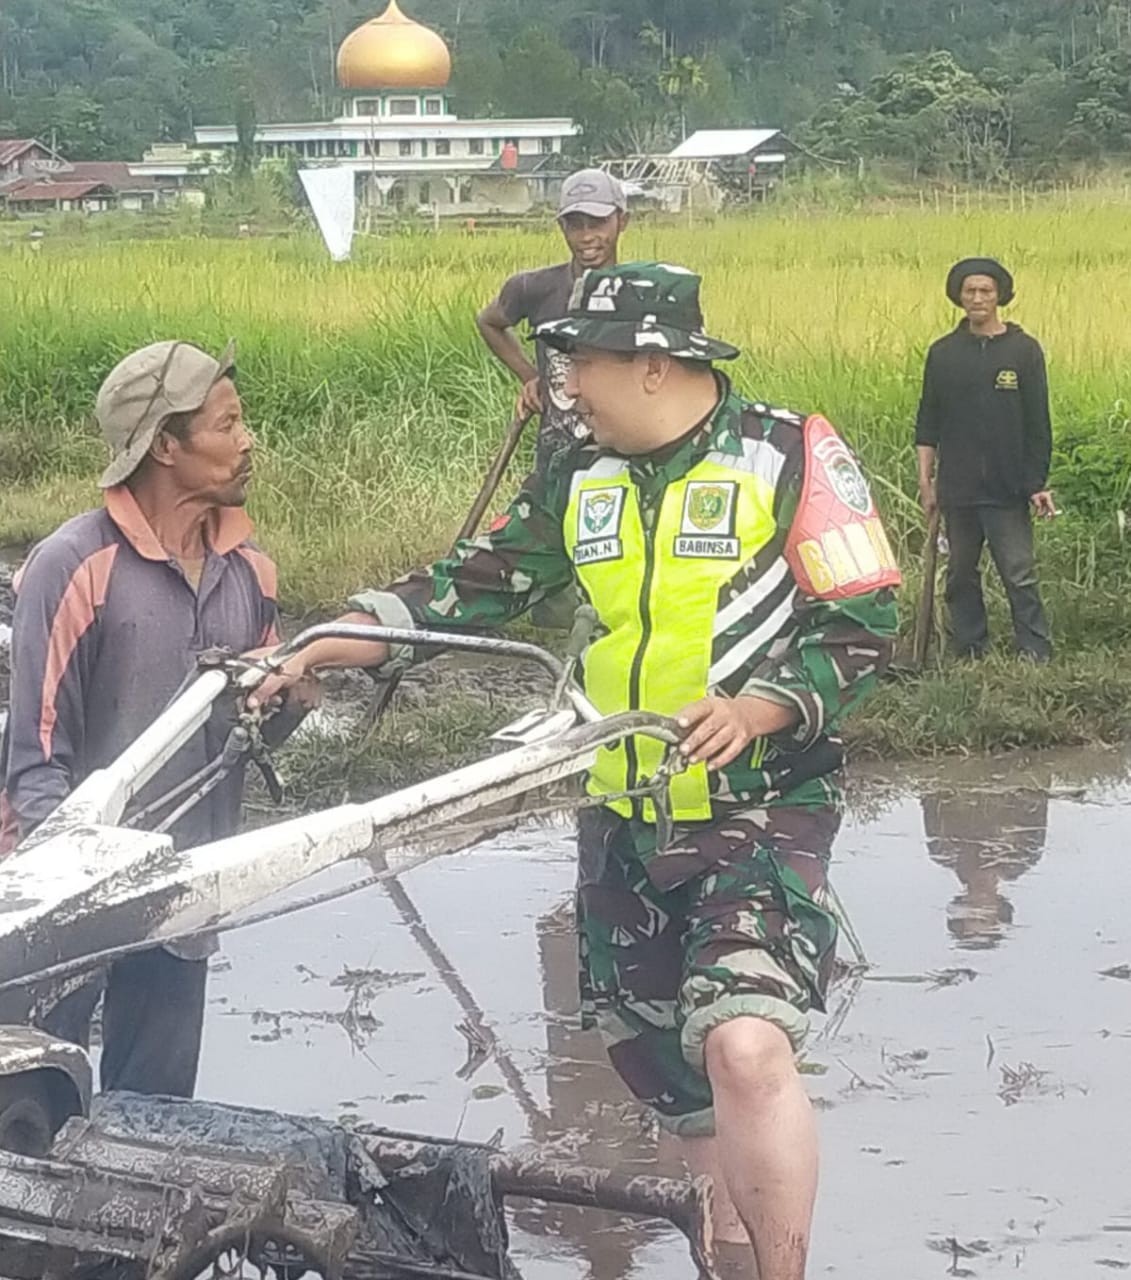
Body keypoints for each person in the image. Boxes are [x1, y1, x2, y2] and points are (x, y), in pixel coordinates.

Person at [252, 263, 900, 1280]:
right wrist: (335, 637)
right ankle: (725, 1257)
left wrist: (758, 706)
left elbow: (863, 623)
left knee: (743, 1041)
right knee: (676, 1085)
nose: (565, 386)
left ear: (651, 364)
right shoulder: (580, 473)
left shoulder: (789, 454)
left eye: (579, 364)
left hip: (762, 806)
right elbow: (478, 583)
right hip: (625, 813)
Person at [0, 339, 315, 1097]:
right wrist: (73, 885)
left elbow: (241, 739)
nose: (247, 442)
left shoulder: (250, 571)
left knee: (156, 1117)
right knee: (37, 1107)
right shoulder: (74, 565)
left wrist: (288, 706)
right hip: (61, 894)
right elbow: (36, 754)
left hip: (182, 886)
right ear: (165, 445)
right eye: (227, 424)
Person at [916, 257, 1054, 661]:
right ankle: (970, 647)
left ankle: (1035, 650)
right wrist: (927, 482)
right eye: (970, 290)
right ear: (959, 296)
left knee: (1018, 572)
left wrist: (1036, 482)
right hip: (957, 488)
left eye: (986, 291)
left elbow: (1038, 423)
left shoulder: (1023, 351)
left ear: (1000, 297)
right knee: (960, 574)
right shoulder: (943, 353)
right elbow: (928, 420)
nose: (978, 298)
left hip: (1007, 487)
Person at [476, 167, 629, 474]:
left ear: (622, 221)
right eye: (575, 225)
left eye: (598, 223)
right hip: (557, 458)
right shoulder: (533, 288)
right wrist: (532, 376)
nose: (586, 236)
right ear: (561, 226)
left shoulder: (640, 292)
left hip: (624, 454)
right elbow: (489, 322)